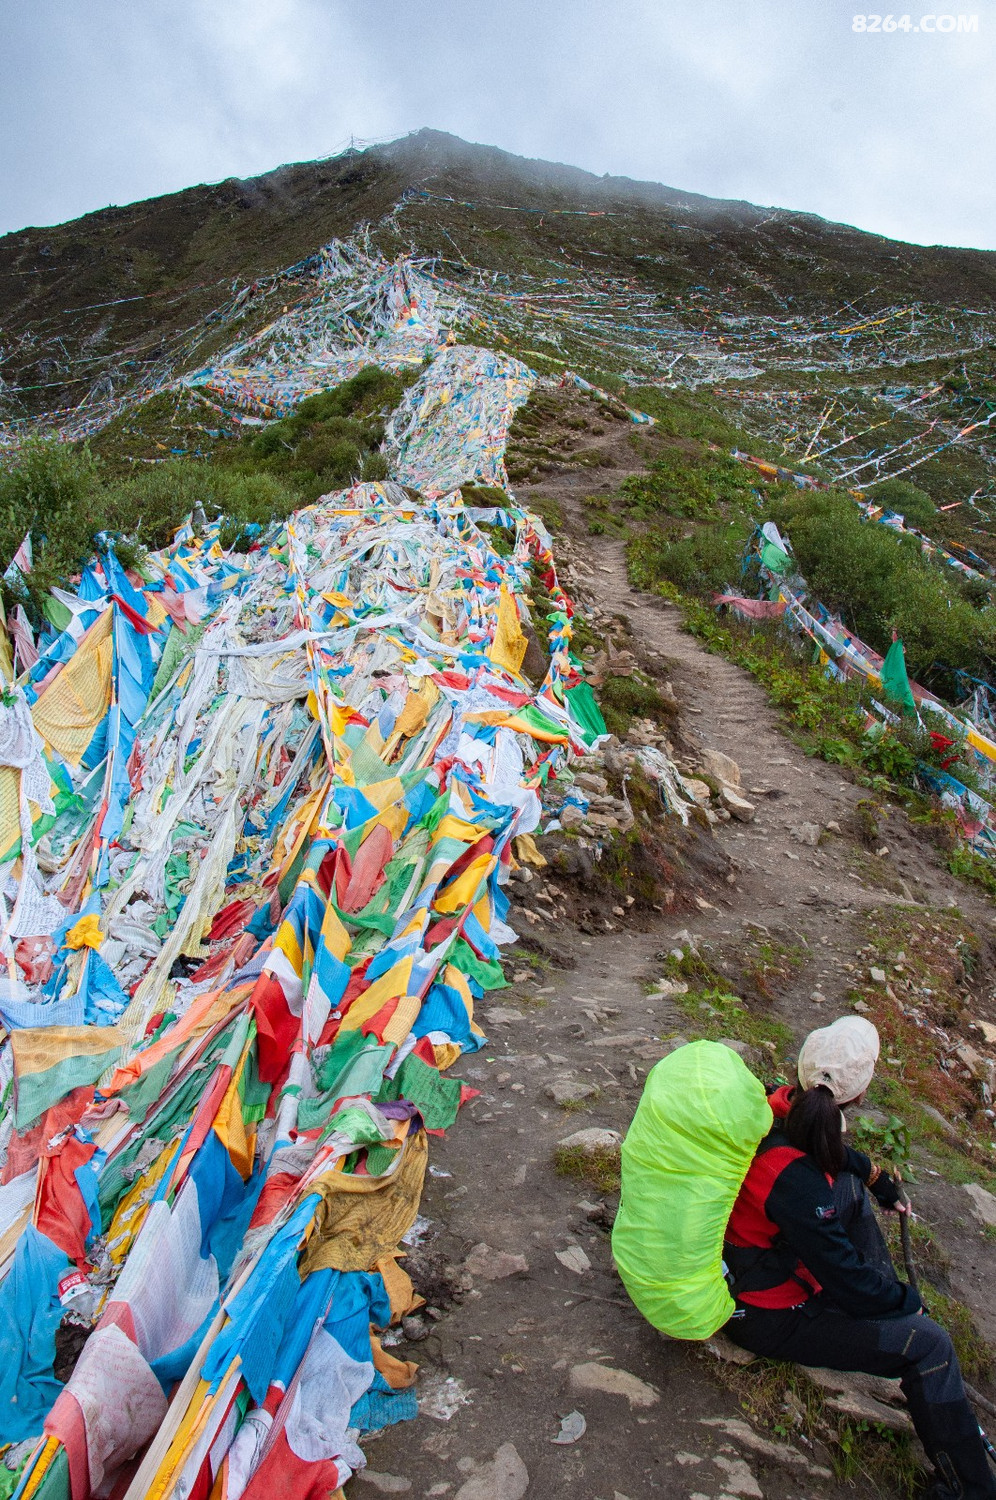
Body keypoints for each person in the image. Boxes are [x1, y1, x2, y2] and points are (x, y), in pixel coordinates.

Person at [723, 1016, 996, 1500]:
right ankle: (972, 1488)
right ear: (860, 1093)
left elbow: (831, 1155)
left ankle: (888, 1317)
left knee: (847, 1188)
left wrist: (875, 1179)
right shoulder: (796, 1181)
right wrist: (905, 1300)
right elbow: (845, 1278)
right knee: (929, 1345)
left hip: (758, 1258)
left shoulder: (779, 1106)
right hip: (769, 1313)